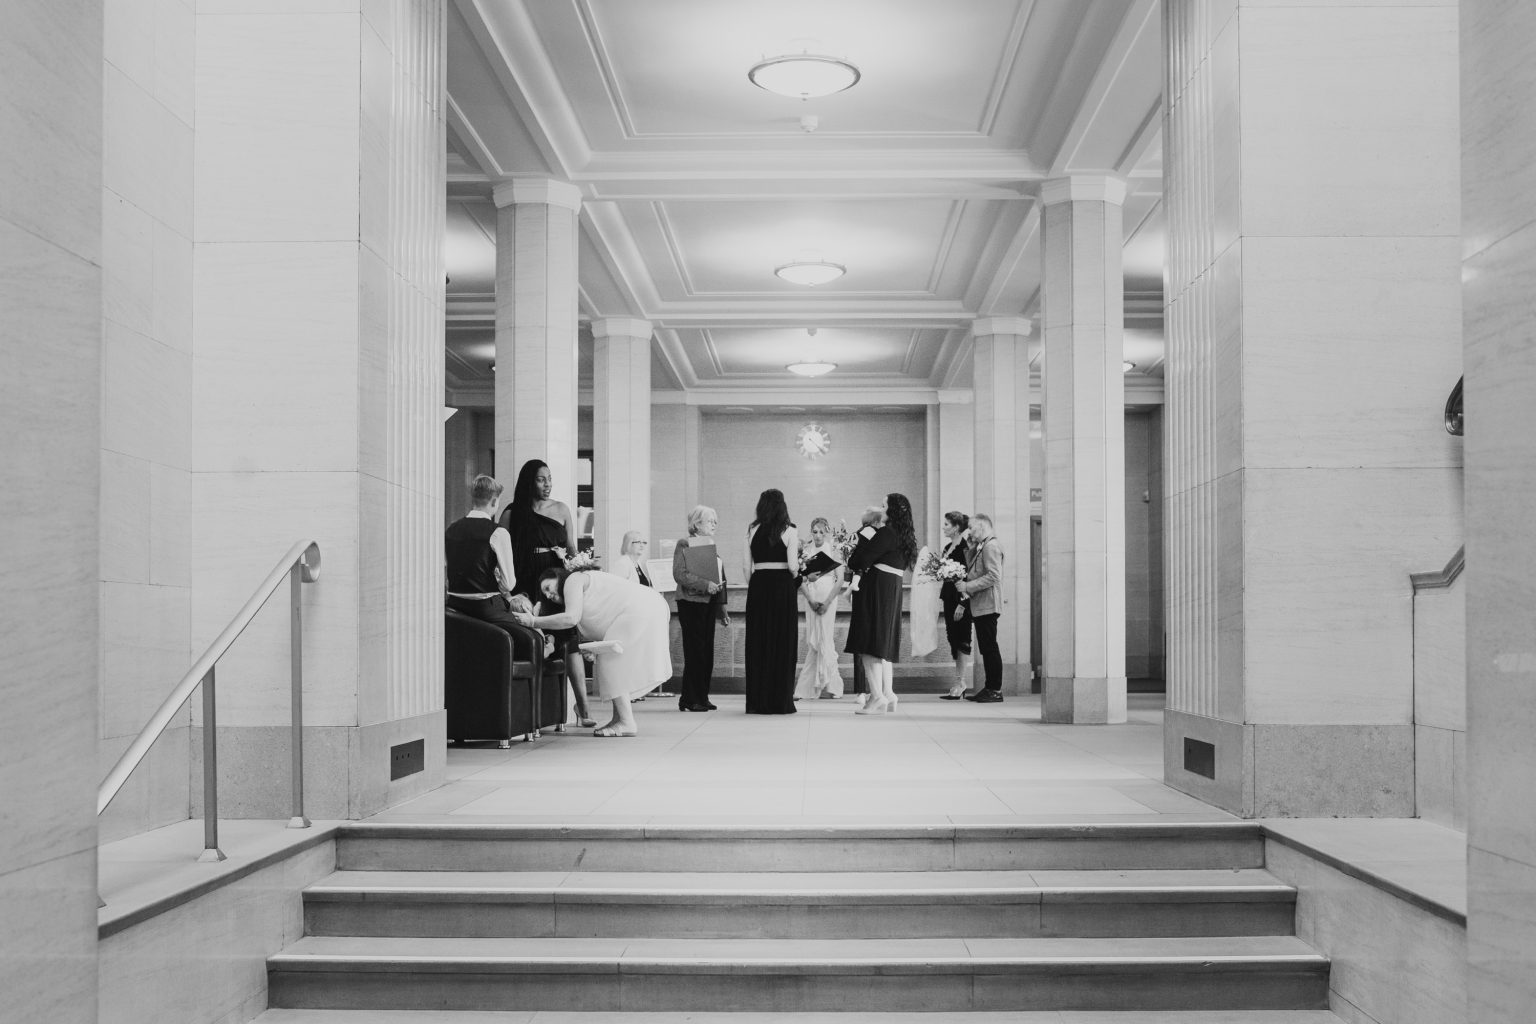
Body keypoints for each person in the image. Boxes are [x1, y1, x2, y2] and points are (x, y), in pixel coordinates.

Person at [513, 566, 672, 737]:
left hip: (640, 609)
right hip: (648, 606)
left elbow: (570, 618)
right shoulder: (577, 589)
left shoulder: (573, 579)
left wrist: (533, 621)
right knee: (616, 663)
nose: (548, 595)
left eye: (548, 588)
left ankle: (626, 722)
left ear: (559, 577)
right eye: (545, 594)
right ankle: (620, 720)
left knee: (611, 662)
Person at [497, 459, 594, 726]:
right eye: (541, 479)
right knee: (533, 637)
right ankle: (533, 710)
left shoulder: (561, 509)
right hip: (525, 580)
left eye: (550, 478)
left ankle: (583, 708)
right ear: (530, 481)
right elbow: (500, 553)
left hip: (555, 581)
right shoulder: (511, 513)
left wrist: (583, 569)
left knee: (570, 640)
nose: (548, 484)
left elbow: (572, 548)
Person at [846, 492, 918, 715]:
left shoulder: (886, 533)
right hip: (891, 587)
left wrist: (854, 548)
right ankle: (885, 695)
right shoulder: (906, 536)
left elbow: (858, 560)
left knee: (869, 644)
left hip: (876, 588)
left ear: (893, 510)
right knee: (879, 644)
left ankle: (876, 695)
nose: (881, 509)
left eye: (884, 505)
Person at [743, 488, 800, 715]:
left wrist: (756, 584)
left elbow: (746, 567)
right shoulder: (790, 530)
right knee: (783, 642)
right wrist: (793, 577)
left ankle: (758, 701)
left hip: (758, 586)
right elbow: (794, 566)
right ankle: (781, 701)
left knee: (758, 642)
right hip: (783, 587)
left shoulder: (751, 529)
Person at [445, 474, 522, 632]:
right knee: (531, 635)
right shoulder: (498, 533)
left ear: (473, 500)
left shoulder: (451, 529)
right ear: (494, 501)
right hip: (486, 609)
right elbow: (509, 584)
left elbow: (446, 570)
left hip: (454, 605)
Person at [673, 505, 729, 712]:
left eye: (715, 521)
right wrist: (706, 585)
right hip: (691, 602)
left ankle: (702, 696)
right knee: (695, 652)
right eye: (710, 521)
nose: (714, 524)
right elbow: (680, 574)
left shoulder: (710, 544)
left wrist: (722, 609)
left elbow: (720, 577)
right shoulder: (685, 543)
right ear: (696, 523)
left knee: (706, 653)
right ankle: (689, 698)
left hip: (708, 604)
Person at [793, 517, 844, 700]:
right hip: (812, 598)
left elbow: (840, 579)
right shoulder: (806, 551)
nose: (818, 535)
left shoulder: (834, 550)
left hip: (828, 598)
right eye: (815, 531)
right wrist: (810, 600)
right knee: (813, 640)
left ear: (827, 533)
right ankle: (811, 688)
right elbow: (802, 579)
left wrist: (828, 602)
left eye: (822, 532)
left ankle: (831, 686)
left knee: (825, 639)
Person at [958, 512, 1005, 703]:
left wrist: (967, 587)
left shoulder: (991, 546)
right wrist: (970, 548)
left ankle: (994, 689)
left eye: (972, 527)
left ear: (983, 526)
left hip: (987, 604)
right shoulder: (982, 546)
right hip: (982, 604)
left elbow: (994, 576)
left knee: (990, 647)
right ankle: (990, 687)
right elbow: (975, 569)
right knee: (986, 647)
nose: (970, 531)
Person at [937, 511, 974, 700]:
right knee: (953, 639)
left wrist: (963, 603)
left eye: (946, 524)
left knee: (962, 639)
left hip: (962, 599)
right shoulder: (946, 548)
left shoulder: (965, 548)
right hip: (949, 596)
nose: (943, 527)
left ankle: (961, 682)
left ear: (957, 527)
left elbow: (968, 576)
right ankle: (958, 681)